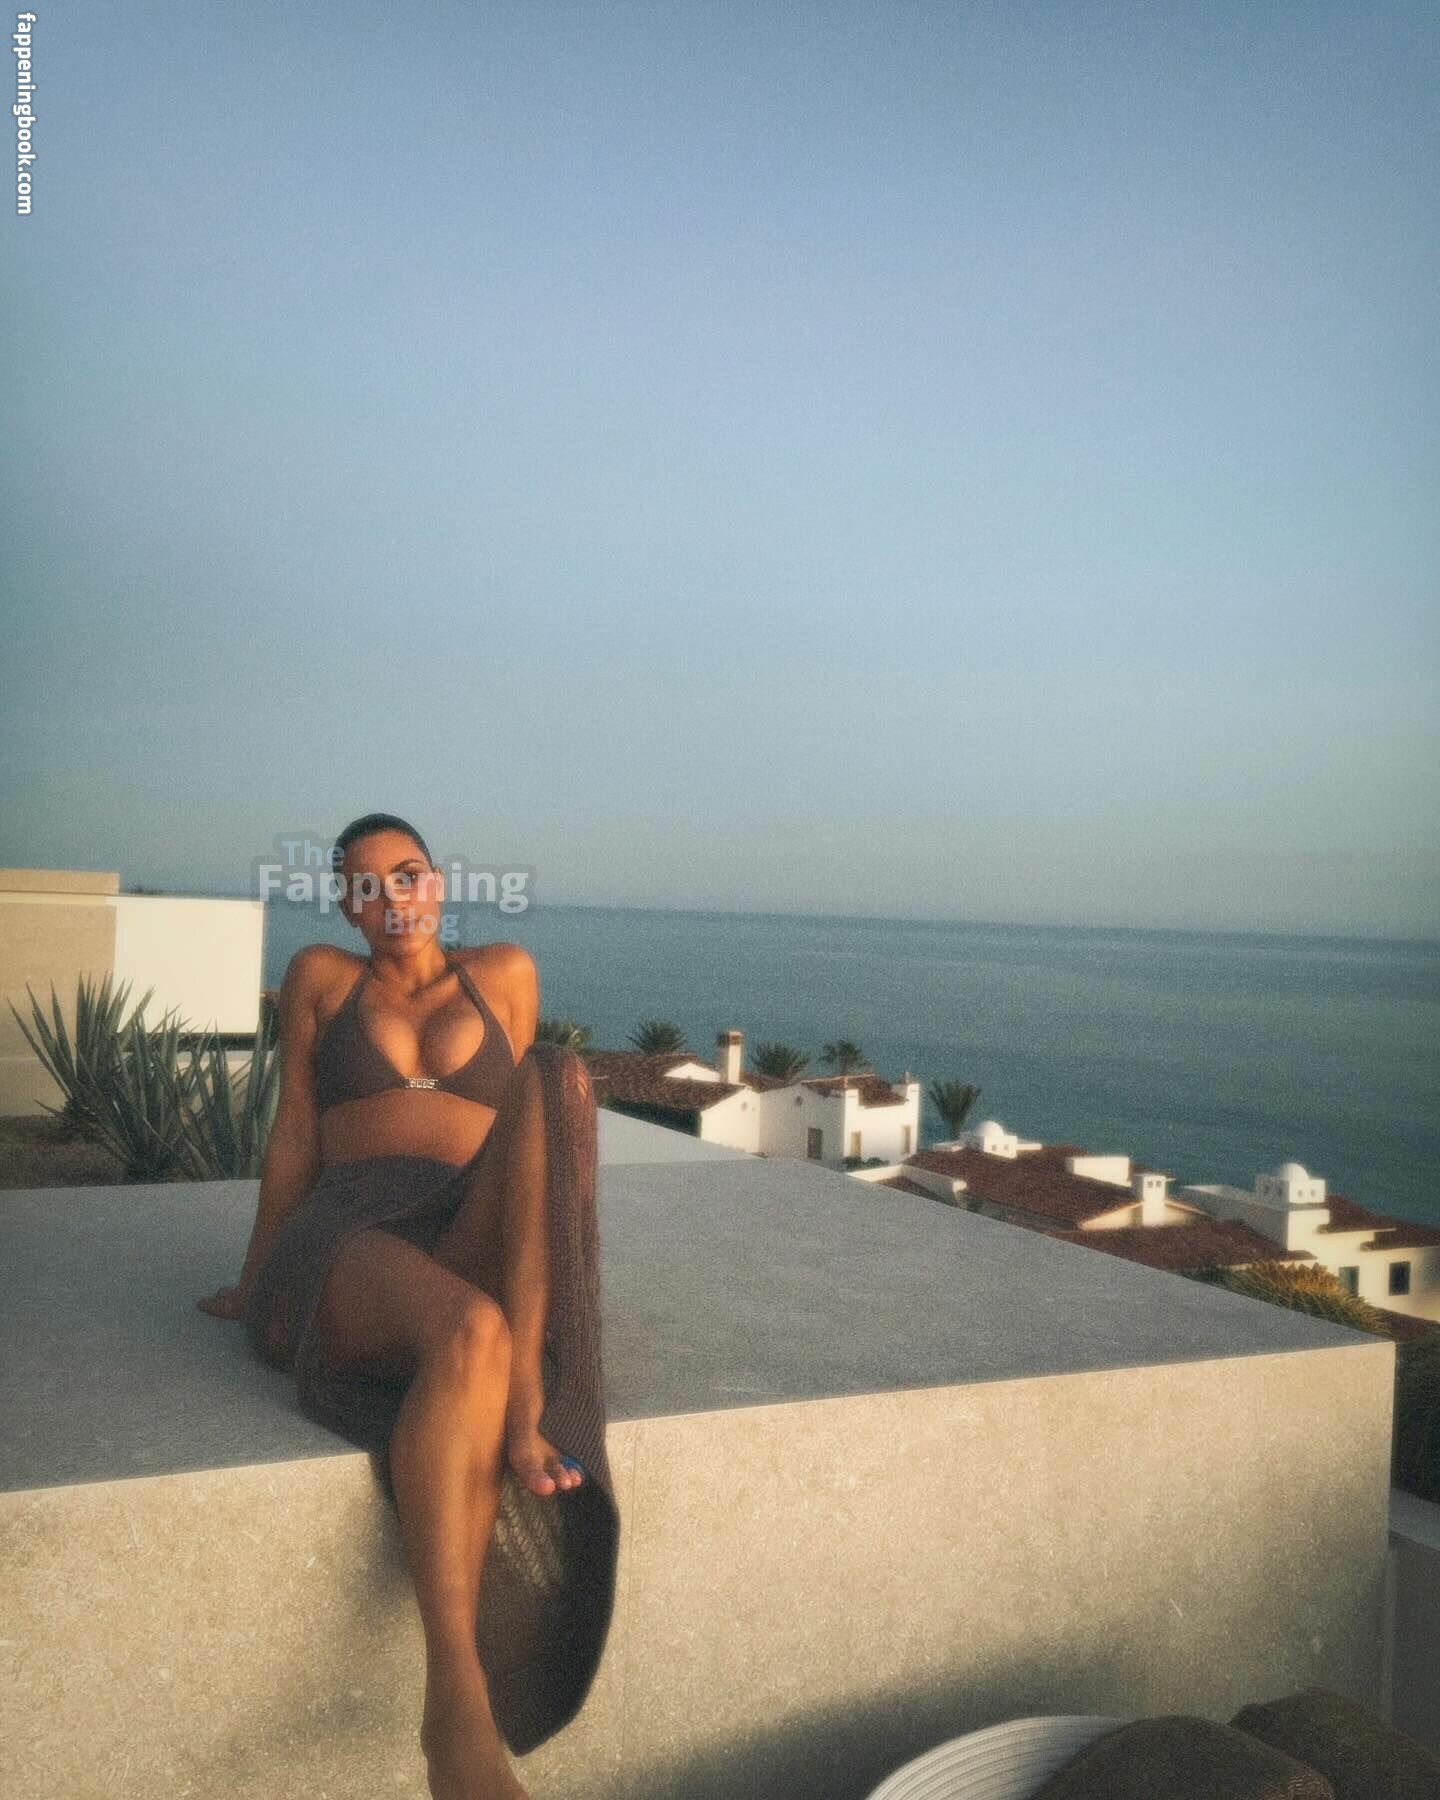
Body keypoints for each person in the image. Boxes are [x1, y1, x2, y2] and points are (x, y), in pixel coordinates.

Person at [198, 813, 617, 1800]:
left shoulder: (504, 973)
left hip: (459, 1220)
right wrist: (257, 1278)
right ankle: (455, 1712)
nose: (391, 899)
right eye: (366, 885)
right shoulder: (321, 978)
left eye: (409, 875)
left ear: (440, 883)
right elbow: (295, 1136)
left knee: (556, 1077)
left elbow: (527, 1161)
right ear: (346, 906)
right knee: (468, 1329)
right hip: (349, 1231)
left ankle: (523, 1390)